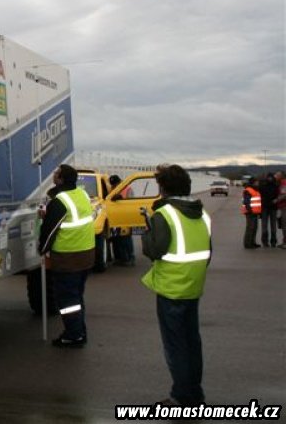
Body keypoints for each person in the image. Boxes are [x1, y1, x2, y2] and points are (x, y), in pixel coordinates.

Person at [141, 164, 211, 407]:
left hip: (171, 287)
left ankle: (182, 398)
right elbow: (207, 251)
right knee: (192, 342)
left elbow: (153, 250)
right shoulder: (202, 214)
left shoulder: (165, 215)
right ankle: (195, 393)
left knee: (175, 346)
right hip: (193, 285)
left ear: (163, 188)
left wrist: (146, 232)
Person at [38, 164, 95, 348]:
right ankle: (79, 331)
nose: (53, 175)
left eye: (56, 173)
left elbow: (50, 231)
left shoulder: (59, 201)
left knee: (68, 299)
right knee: (77, 296)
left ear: (61, 179)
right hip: (87, 254)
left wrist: (42, 249)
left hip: (68, 258)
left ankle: (73, 335)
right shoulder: (82, 195)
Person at [108, 174, 136, 266]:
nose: (114, 186)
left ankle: (130, 258)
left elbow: (132, 202)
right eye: (113, 185)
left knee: (126, 237)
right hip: (115, 217)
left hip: (126, 217)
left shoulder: (128, 189)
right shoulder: (112, 189)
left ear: (120, 182)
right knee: (117, 239)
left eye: (115, 184)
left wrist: (122, 199)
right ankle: (121, 258)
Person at [258, 173, 278, 248]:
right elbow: (259, 195)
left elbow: (278, 195)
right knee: (264, 226)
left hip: (273, 208)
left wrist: (276, 200)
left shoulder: (275, 186)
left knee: (273, 225)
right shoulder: (262, 186)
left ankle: (273, 241)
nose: (270, 179)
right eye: (269, 177)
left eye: (271, 177)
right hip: (265, 208)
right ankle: (265, 241)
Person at [241, 178, 262, 249]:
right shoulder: (248, 190)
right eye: (257, 182)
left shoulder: (256, 190)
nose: (258, 183)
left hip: (255, 212)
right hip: (250, 212)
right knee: (250, 228)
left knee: (254, 228)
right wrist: (250, 210)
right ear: (253, 183)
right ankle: (247, 244)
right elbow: (246, 202)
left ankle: (253, 242)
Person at [275, 171, 286, 248]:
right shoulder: (281, 183)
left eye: (277, 175)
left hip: (284, 207)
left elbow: (284, 195)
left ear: (281, 176)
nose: (275, 177)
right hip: (282, 206)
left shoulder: (283, 183)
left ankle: (285, 243)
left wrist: (276, 200)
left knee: (284, 225)